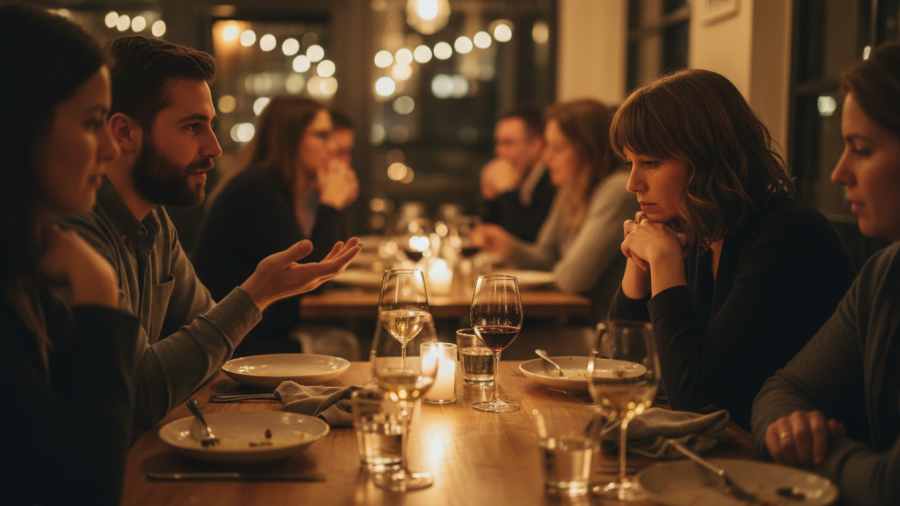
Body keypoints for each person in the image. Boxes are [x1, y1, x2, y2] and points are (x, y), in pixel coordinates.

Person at [62, 36, 361, 432]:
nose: (215, 147)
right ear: (125, 133)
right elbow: (138, 392)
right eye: (193, 127)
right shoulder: (75, 234)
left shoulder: (156, 224)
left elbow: (214, 331)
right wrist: (258, 293)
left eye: (211, 126)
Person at [607, 68, 856, 430]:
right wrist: (639, 261)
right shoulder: (702, 231)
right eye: (630, 163)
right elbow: (621, 363)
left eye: (651, 162)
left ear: (706, 157)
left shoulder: (787, 236)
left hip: (800, 468)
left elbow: (696, 397)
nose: (633, 184)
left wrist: (662, 260)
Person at [0, 5, 140, 505]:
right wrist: (98, 288)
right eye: (90, 122)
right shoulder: (70, 266)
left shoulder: (34, 264)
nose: (111, 148)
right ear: (18, 122)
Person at [752, 41, 900, 506]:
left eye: (861, 149)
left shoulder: (782, 232)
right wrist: (790, 427)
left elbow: (888, 488)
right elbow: (781, 391)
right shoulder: (885, 274)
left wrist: (818, 452)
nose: (837, 173)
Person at [193, 95, 359, 356]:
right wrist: (331, 205)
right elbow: (314, 277)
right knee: (344, 343)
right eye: (322, 135)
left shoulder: (283, 188)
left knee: (348, 335)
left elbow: (336, 256)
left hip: (264, 330)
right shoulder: (256, 189)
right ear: (290, 138)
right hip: (235, 345)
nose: (333, 146)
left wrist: (337, 203)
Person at [474, 99, 637, 320]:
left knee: (486, 337)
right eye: (547, 146)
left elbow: (573, 279)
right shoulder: (571, 190)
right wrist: (508, 246)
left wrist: (558, 269)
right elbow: (545, 255)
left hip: (605, 330)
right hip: (577, 323)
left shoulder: (617, 190)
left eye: (557, 148)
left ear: (588, 151)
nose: (546, 156)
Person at [480, 105, 556, 242]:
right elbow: (487, 240)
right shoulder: (520, 176)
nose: (499, 151)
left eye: (508, 143)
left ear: (536, 146)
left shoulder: (552, 181)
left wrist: (507, 192)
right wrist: (490, 196)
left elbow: (525, 242)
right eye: (497, 143)